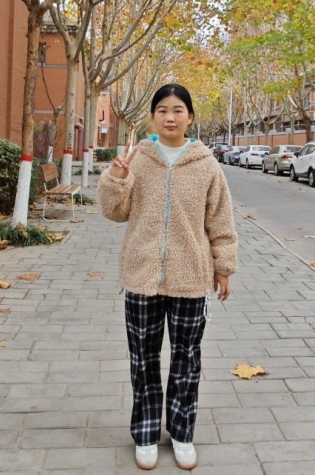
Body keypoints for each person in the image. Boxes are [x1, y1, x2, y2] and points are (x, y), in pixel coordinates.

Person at [98, 83, 238, 471]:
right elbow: (114, 212)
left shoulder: (207, 165)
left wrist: (223, 267)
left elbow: (221, 221)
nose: (170, 117)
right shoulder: (139, 159)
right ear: (153, 117)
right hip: (141, 276)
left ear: (190, 117)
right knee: (143, 360)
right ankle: (145, 433)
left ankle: (181, 432)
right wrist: (116, 177)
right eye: (162, 110)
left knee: (186, 360)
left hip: (191, 278)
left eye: (178, 110)